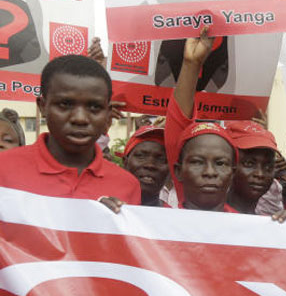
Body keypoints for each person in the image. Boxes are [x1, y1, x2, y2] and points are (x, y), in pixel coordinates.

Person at [0, 55, 140, 210]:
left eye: (94, 107)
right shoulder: (3, 169)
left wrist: (107, 224)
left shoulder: (127, 185)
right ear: (42, 106)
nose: (80, 118)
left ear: (108, 113)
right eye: (65, 104)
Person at [164, 27, 238, 212]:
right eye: (197, 162)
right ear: (179, 171)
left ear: (233, 172)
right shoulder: (158, 228)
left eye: (221, 163)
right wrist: (191, 63)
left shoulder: (256, 231)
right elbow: (177, 121)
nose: (210, 173)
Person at [225, 119, 280, 214]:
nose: (260, 174)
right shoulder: (207, 218)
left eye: (268, 167)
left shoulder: (272, 224)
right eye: (249, 163)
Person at [121, 125, 169, 206]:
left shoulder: (173, 217)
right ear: (125, 162)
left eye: (161, 159)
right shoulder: (101, 207)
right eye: (140, 156)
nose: (150, 165)